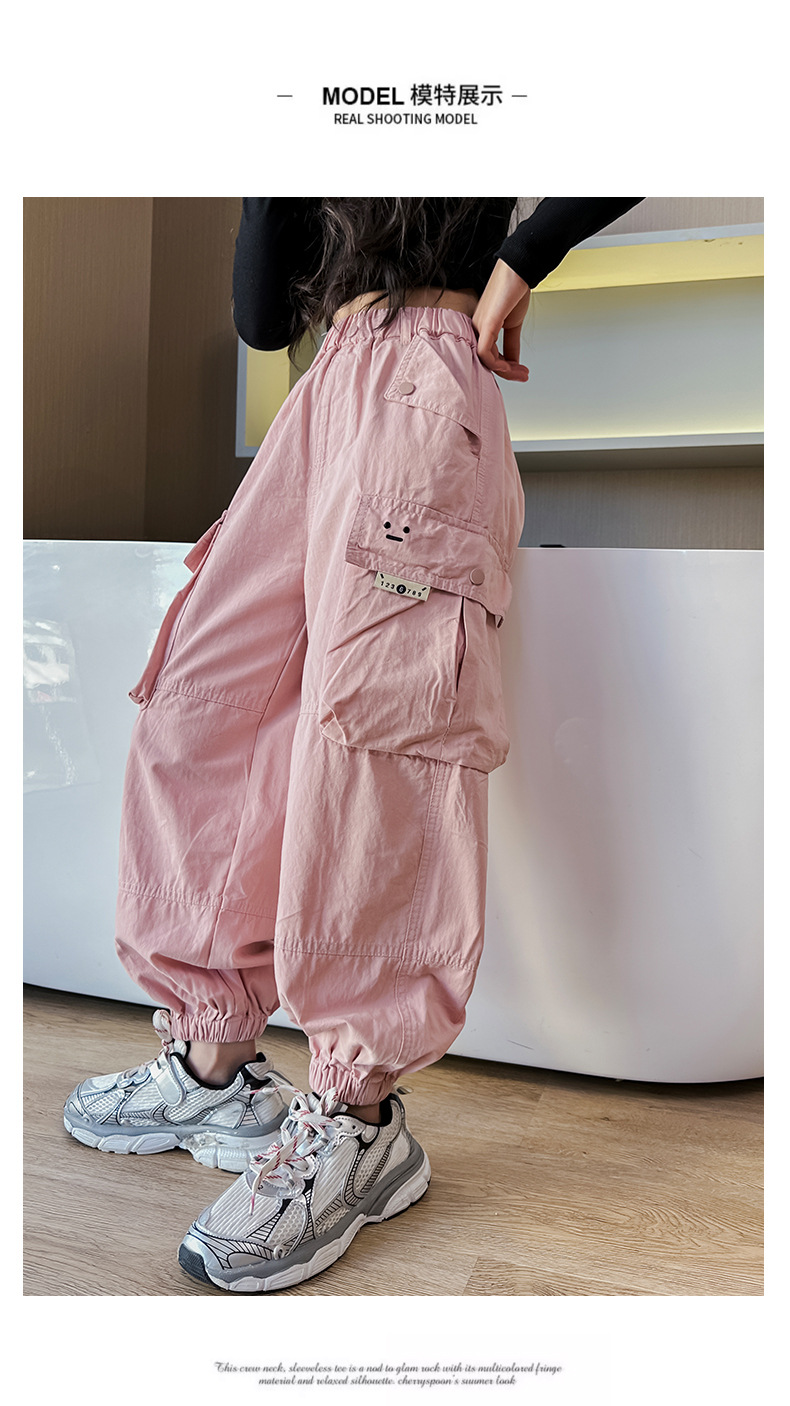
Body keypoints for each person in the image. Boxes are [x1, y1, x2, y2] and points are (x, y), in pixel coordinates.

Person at [64, 196, 644, 1293]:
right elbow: (258, 319)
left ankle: (358, 1115)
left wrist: (526, 255)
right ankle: (215, 1053)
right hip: (326, 383)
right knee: (205, 701)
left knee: (382, 738)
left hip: (430, 372)